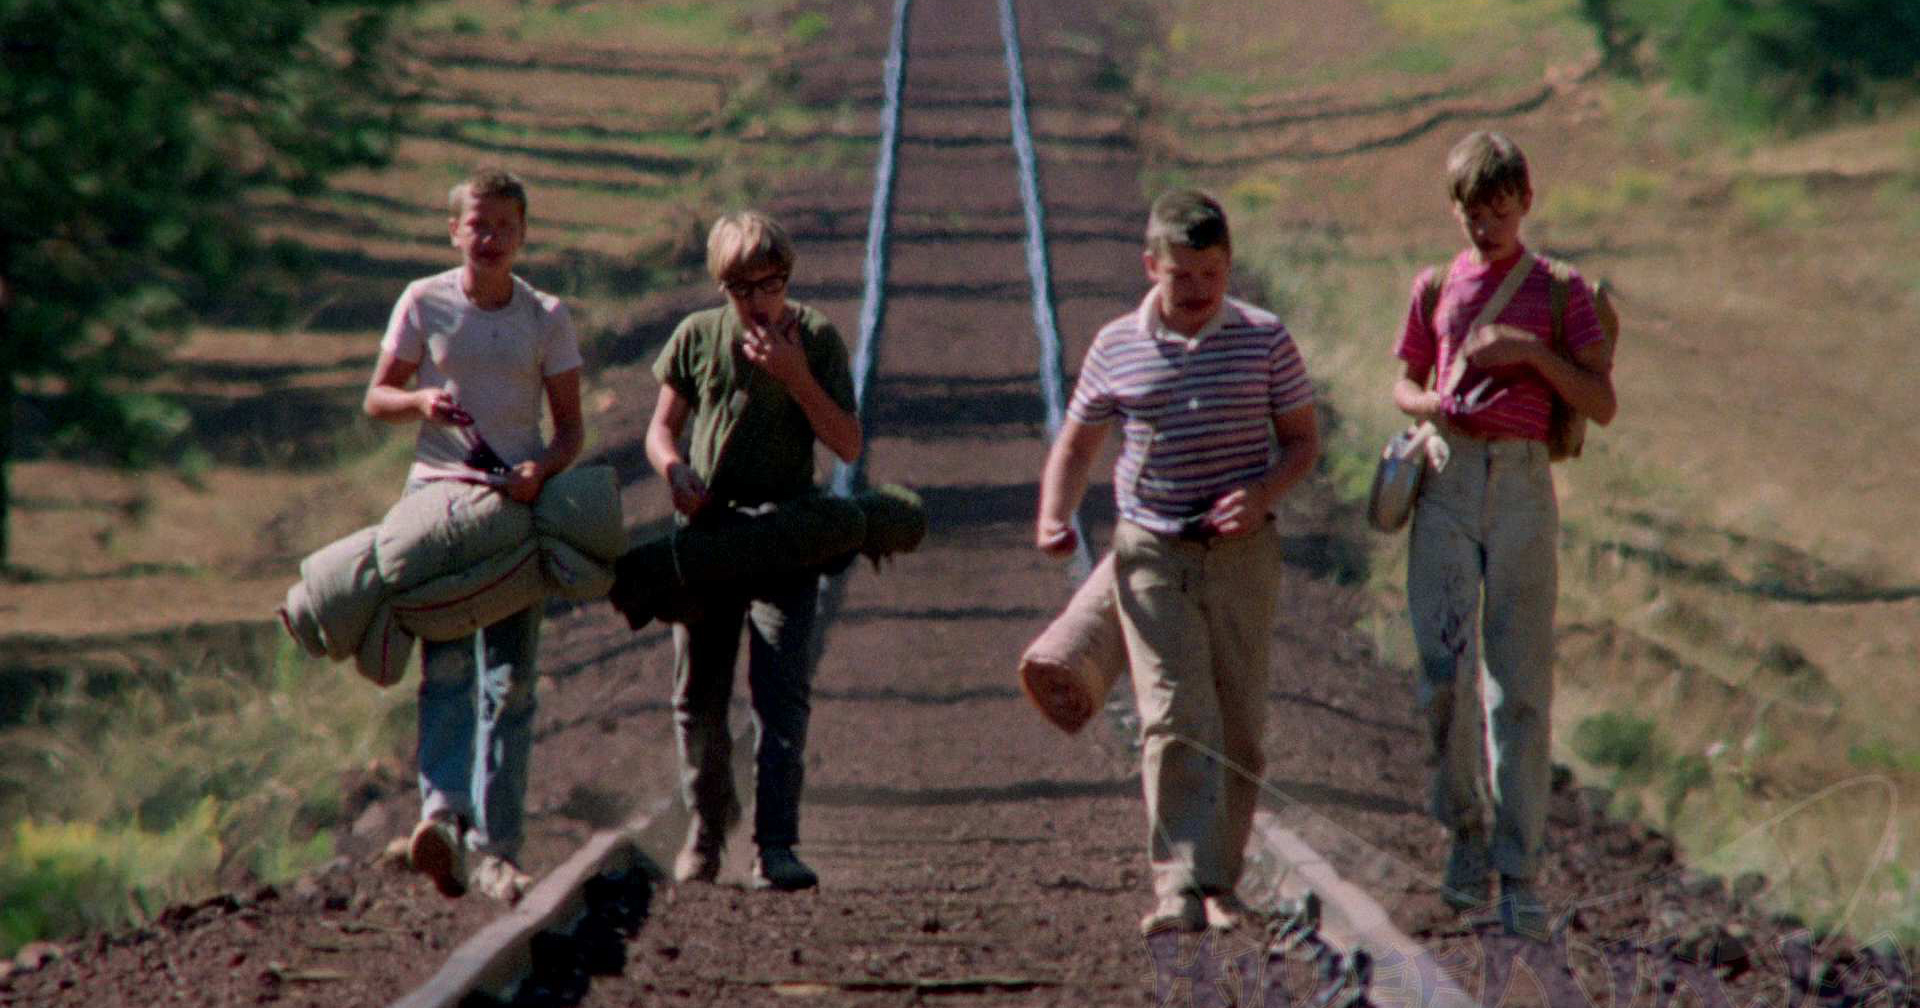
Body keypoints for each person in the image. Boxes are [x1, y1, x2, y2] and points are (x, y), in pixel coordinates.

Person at [1036, 190, 1320, 934]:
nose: (1196, 290)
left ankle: (1222, 882)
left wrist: (1262, 495)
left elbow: (1302, 441)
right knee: (1172, 716)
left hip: (1241, 556)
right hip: (1152, 550)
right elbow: (1078, 444)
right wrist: (1055, 515)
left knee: (1239, 724)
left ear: (1229, 267)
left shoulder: (1265, 340)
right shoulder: (1116, 345)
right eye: (1180, 275)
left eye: (1211, 275)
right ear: (1150, 266)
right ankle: (1179, 887)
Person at [1391, 130, 1615, 938]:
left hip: (1522, 485)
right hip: (1448, 478)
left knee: (1517, 686)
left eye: (1499, 211)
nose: (1486, 228)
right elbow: (1405, 378)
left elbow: (1600, 400)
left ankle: (1519, 872)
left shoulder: (1561, 290)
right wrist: (1428, 404)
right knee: (1442, 671)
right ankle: (1466, 833)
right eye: (1472, 214)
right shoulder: (1435, 285)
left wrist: (1526, 351)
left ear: (1525, 202)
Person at [363, 166, 585, 904]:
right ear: (454, 231)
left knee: (511, 682)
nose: (490, 239)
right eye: (478, 225)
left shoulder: (546, 316)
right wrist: (420, 401)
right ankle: (444, 818)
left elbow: (571, 431)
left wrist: (539, 469)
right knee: (449, 670)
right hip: (437, 505)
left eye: (504, 228)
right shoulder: (423, 301)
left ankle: (496, 850)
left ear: (523, 236)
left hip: (515, 511)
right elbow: (377, 397)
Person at [646, 210, 860, 890]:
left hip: (784, 537)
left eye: (772, 285)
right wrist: (674, 470)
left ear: (788, 279)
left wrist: (796, 376)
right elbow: (661, 429)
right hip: (709, 536)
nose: (760, 301)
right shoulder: (697, 336)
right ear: (722, 287)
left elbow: (848, 443)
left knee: (781, 694)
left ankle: (776, 845)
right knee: (698, 696)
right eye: (743, 289)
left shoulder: (815, 337)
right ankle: (707, 830)